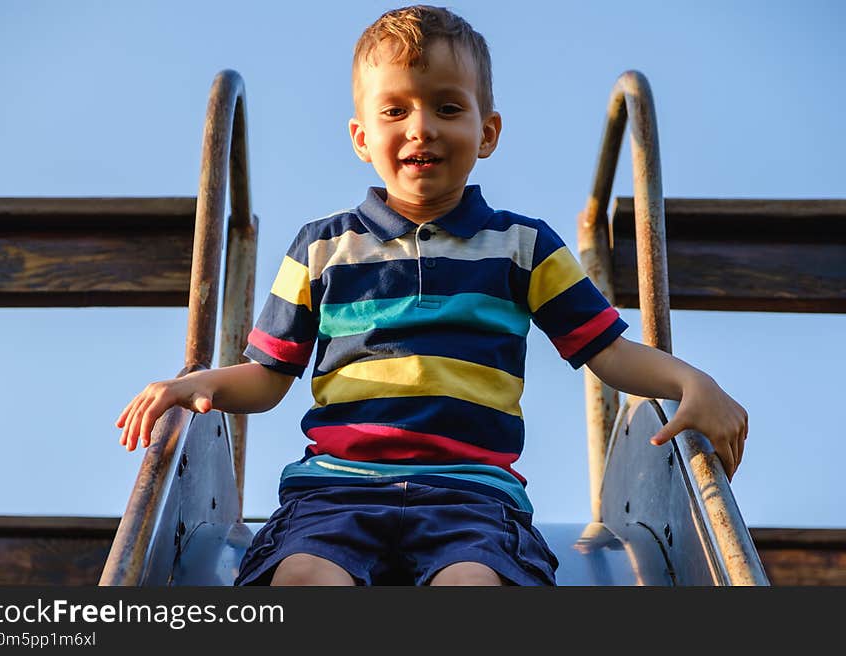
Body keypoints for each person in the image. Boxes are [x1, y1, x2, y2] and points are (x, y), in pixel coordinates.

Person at [116, 4, 748, 586]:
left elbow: (608, 353)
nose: (422, 128)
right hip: (335, 491)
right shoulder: (321, 248)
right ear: (362, 137)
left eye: (448, 108)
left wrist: (693, 382)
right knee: (306, 579)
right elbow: (268, 376)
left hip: (471, 494)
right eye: (395, 111)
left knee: (471, 586)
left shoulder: (522, 246)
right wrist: (193, 384)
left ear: (487, 131)